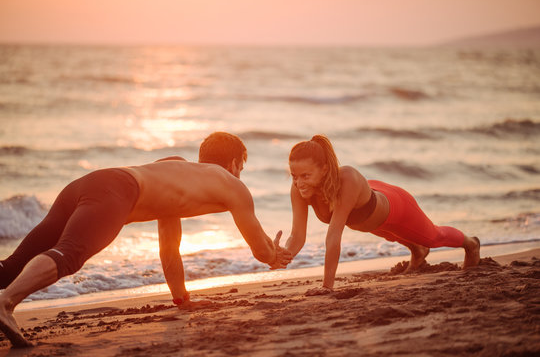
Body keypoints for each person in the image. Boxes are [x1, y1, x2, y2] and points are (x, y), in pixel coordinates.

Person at [0, 132, 292, 348]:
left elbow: (169, 248)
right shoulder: (233, 185)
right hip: (117, 192)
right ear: (234, 162)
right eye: (241, 166)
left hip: (88, 183)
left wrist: (182, 299)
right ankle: (6, 302)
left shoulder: (174, 168)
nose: (240, 173)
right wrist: (274, 255)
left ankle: (6, 291)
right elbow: (261, 251)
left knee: (12, 266)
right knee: (70, 255)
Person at [283, 135, 480, 293]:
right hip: (371, 211)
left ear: (324, 169)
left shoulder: (346, 181)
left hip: (396, 206)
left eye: (305, 176)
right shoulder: (301, 189)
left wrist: (327, 287)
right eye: (294, 176)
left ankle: (471, 244)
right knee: (390, 234)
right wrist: (281, 256)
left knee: (433, 237)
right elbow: (297, 236)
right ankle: (417, 252)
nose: (299, 182)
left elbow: (333, 237)